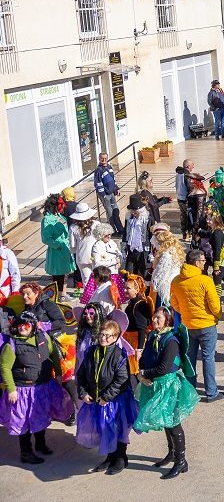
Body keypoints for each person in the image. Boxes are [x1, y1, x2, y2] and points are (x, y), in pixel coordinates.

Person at [134, 306, 200, 479]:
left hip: (168, 385)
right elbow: (145, 358)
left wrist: (144, 373)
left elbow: (164, 368)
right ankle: (171, 454)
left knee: (172, 422)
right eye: (154, 317)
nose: (155, 320)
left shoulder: (171, 341)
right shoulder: (153, 336)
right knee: (164, 420)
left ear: (168, 321)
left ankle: (181, 461)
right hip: (156, 383)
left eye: (159, 318)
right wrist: (141, 372)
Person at [0, 311, 74, 464]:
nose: (22, 328)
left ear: (33, 326)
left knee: (41, 415)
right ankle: (26, 452)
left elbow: (54, 355)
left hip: (43, 386)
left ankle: (40, 444)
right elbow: (5, 367)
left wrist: (59, 374)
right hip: (23, 390)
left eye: (26, 325)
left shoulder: (44, 337)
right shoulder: (12, 344)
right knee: (24, 421)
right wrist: (11, 388)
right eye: (19, 325)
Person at [75, 318, 138, 474]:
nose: (104, 338)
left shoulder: (118, 355)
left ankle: (121, 459)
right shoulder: (91, 352)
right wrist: (83, 392)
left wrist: (106, 397)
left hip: (115, 401)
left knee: (118, 429)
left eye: (108, 336)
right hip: (96, 399)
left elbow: (122, 380)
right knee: (104, 429)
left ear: (116, 338)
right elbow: (81, 374)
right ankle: (110, 457)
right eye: (102, 334)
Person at [170, 249, 224, 403]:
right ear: (196, 262)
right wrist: (217, 316)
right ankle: (211, 392)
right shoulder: (205, 280)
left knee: (189, 359)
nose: (204, 262)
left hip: (188, 325)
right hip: (206, 324)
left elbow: (174, 303)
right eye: (202, 260)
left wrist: (185, 312)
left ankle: (190, 391)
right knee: (208, 358)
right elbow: (214, 304)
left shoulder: (176, 281)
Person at [41, 194, 75, 302]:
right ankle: (57, 296)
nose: (63, 207)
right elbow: (46, 238)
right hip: (57, 251)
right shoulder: (47, 219)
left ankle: (63, 294)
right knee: (58, 275)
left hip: (66, 249)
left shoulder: (59, 216)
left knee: (65, 274)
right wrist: (58, 245)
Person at [93, 152, 123, 233]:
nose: (104, 160)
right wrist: (103, 195)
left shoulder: (109, 167)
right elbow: (98, 184)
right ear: (99, 159)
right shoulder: (98, 170)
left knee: (115, 211)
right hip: (105, 195)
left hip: (111, 193)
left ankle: (120, 229)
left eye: (105, 158)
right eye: (102, 158)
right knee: (110, 213)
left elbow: (113, 179)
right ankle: (112, 231)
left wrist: (116, 189)